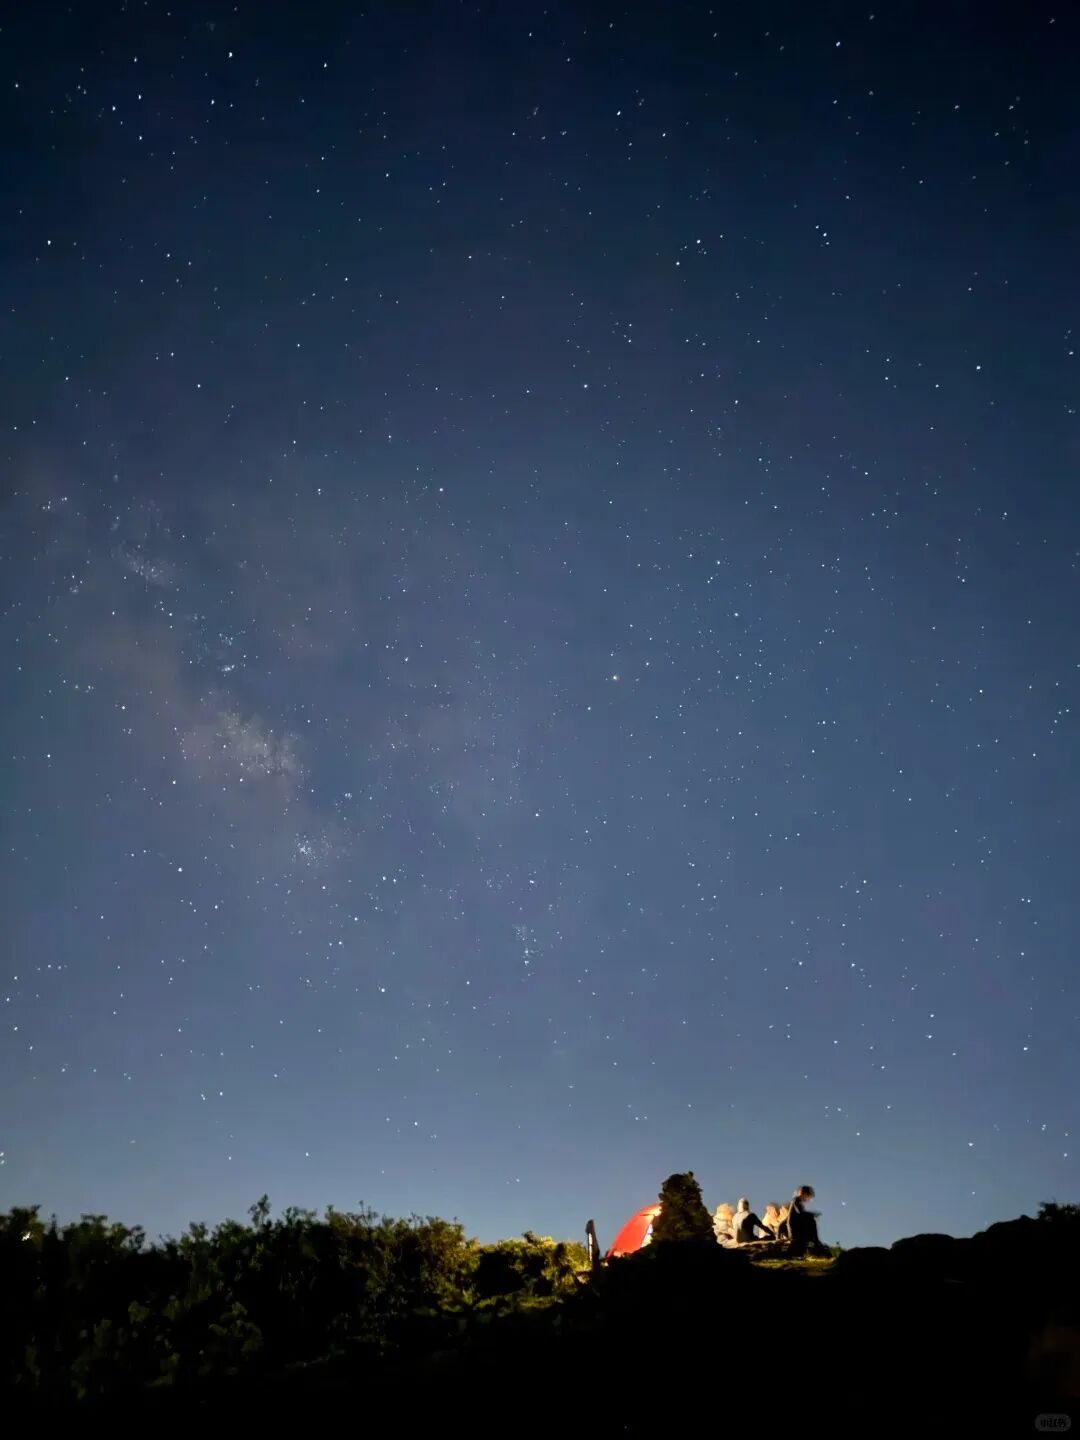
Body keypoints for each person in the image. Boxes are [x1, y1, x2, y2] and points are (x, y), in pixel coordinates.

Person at [780, 1184, 826, 1256]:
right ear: (804, 1194)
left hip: (796, 1227)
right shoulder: (796, 1200)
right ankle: (816, 1243)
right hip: (795, 1229)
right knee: (811, 1220)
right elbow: (800, 1213)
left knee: (811, 1221)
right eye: (809, 1197)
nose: (808, 1199)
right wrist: (812, 1214)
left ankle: (815, 1244)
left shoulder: (797, 1202)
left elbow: (799, 1215)